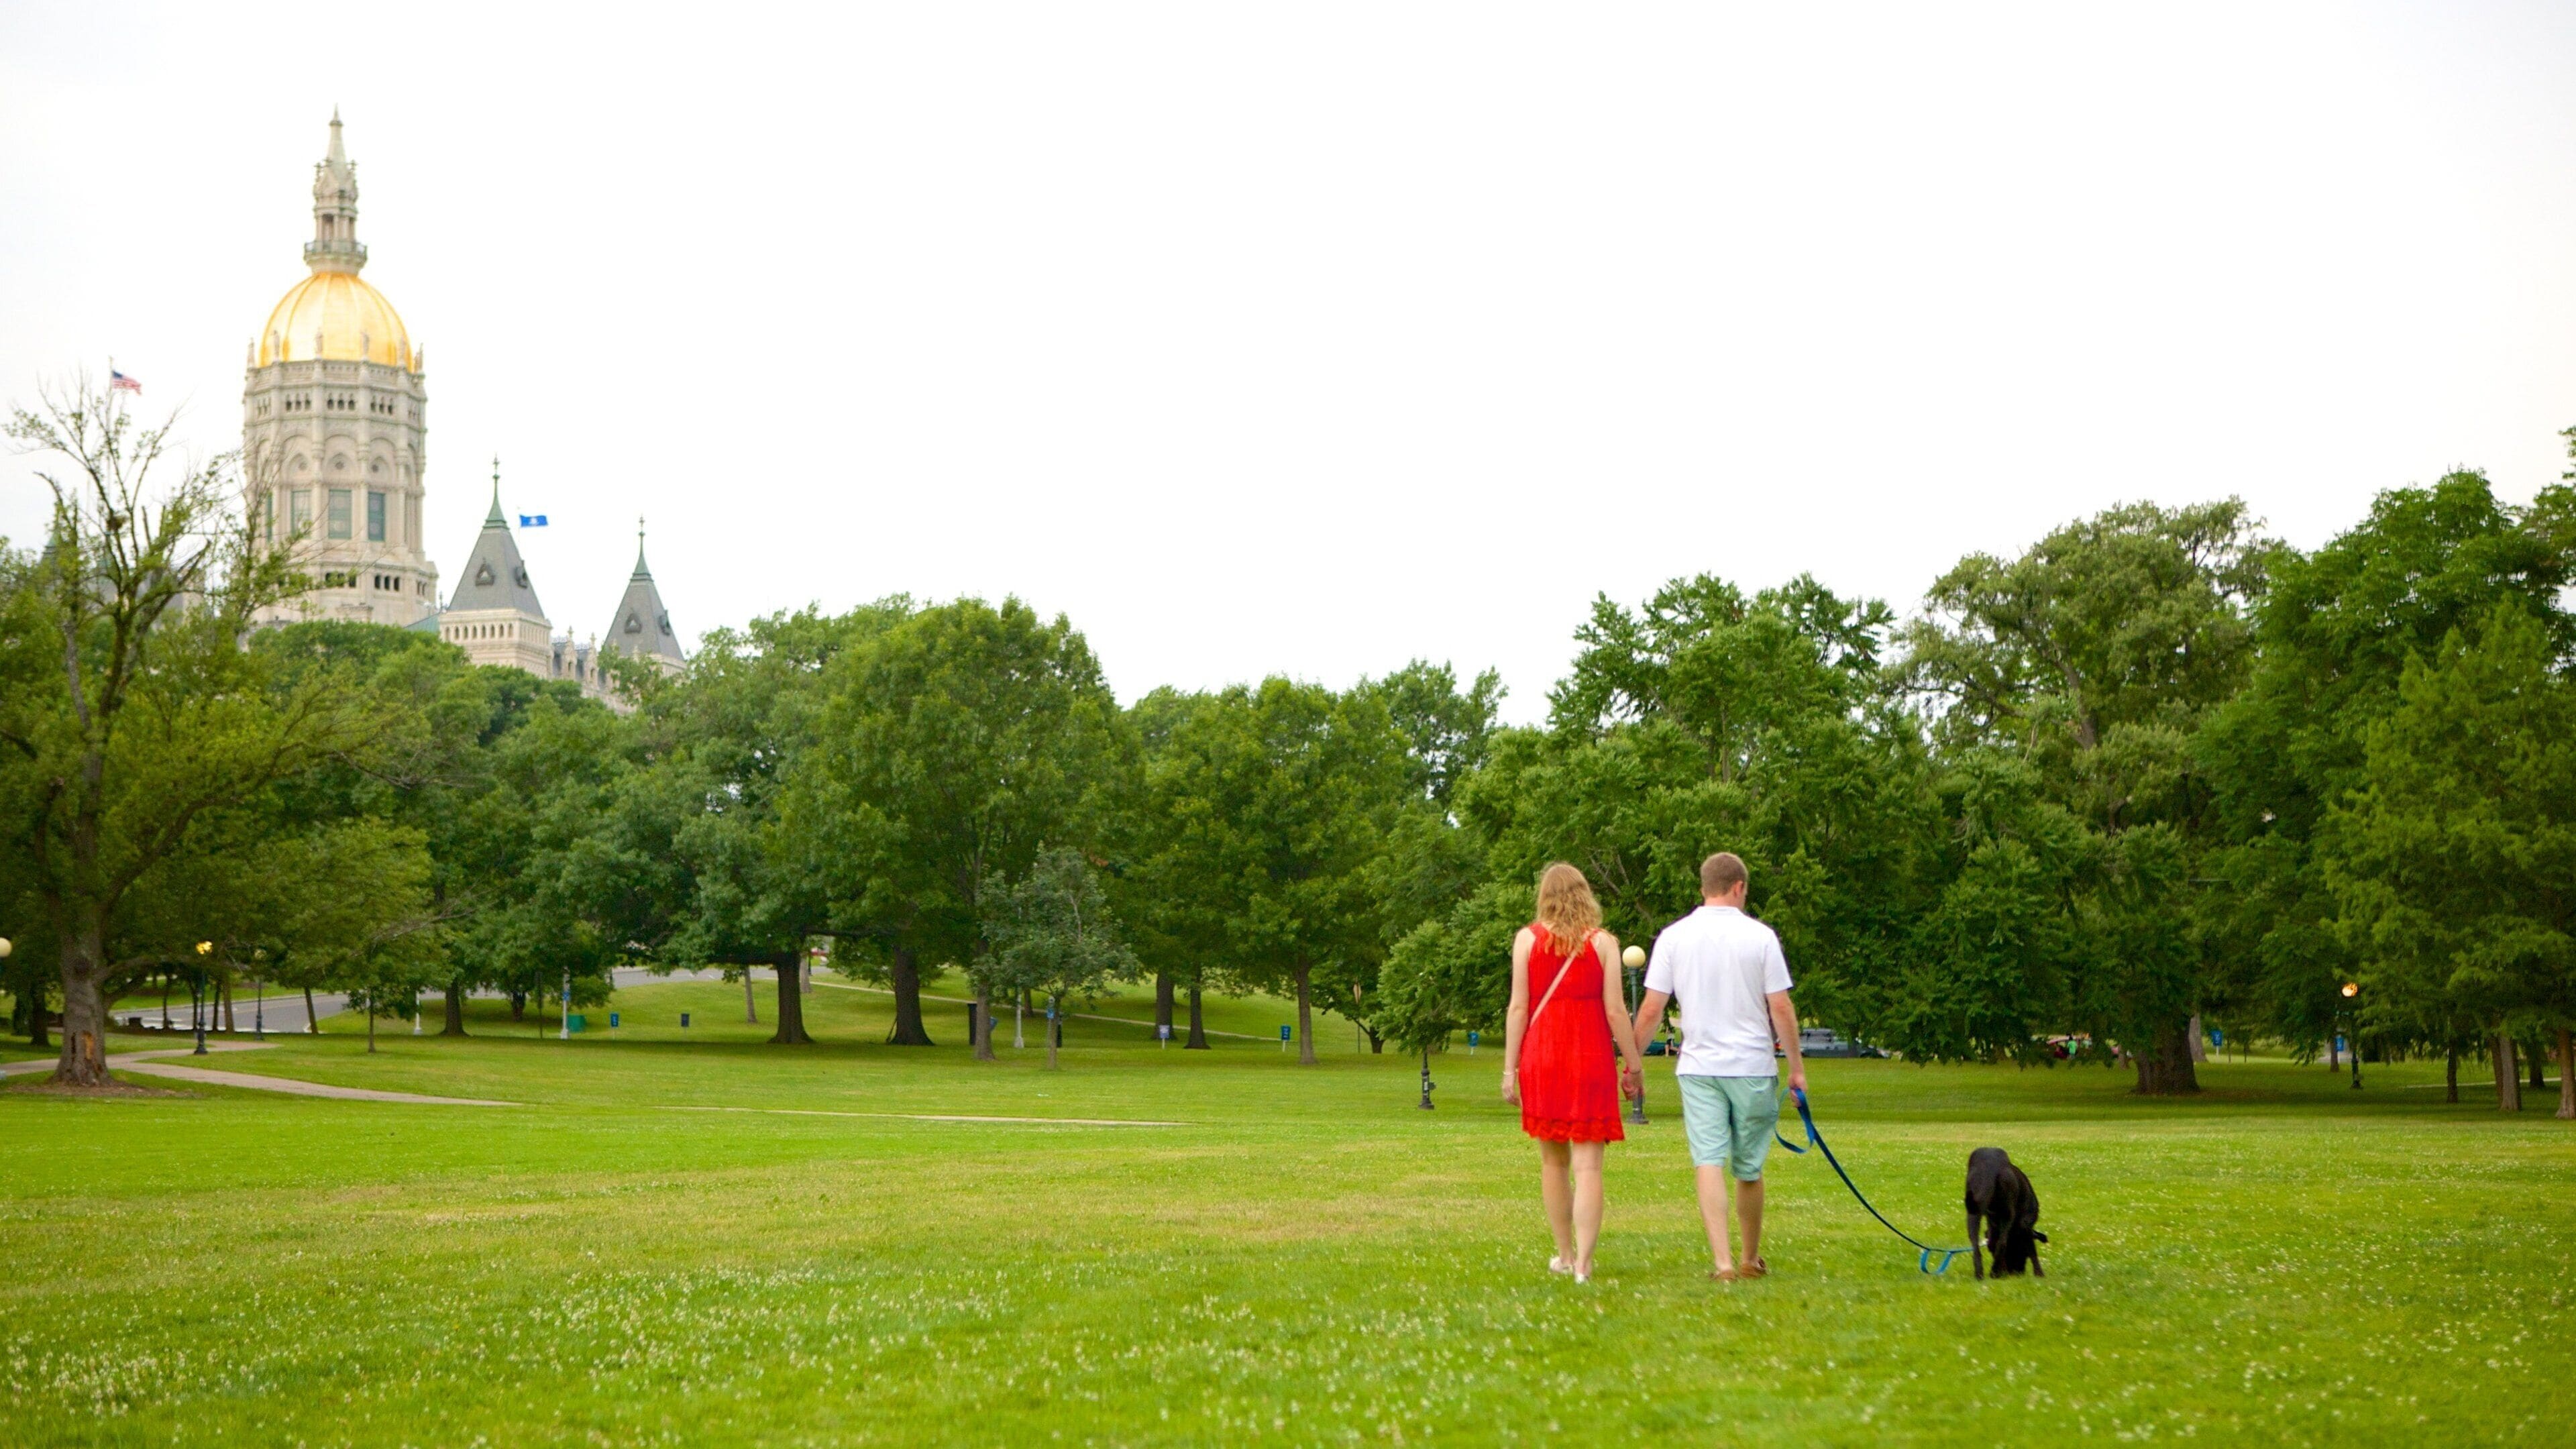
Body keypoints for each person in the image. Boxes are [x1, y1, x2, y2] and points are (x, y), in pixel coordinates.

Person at [1631, 851, 1805, 1282]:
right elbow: (1780, 1006)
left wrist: (1632, 1064)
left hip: (1699, 1066)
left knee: (1708, 1160)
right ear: (1739, 887)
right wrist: (1797, 1067)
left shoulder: (1673, 937)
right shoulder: (1761, 937)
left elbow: (1652, 1009)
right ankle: (1749, 1259)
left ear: (1704, 888)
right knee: (1748, 1167)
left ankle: (1723, 1262)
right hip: (1752, 1065)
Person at [1501, 862, 1646, 1283]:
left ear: (1543, 895)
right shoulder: (1604, 943)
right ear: (1585, 894)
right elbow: (1616, 1011)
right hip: (1590, 1056)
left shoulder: (1526, 940)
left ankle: (1564, 1255)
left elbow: (1518, 1008)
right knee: (1589, 1167)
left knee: (1553, 1162)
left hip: (1542, 1055)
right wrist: (1634, 1066)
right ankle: (1584, 1262)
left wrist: (1509, 1070)